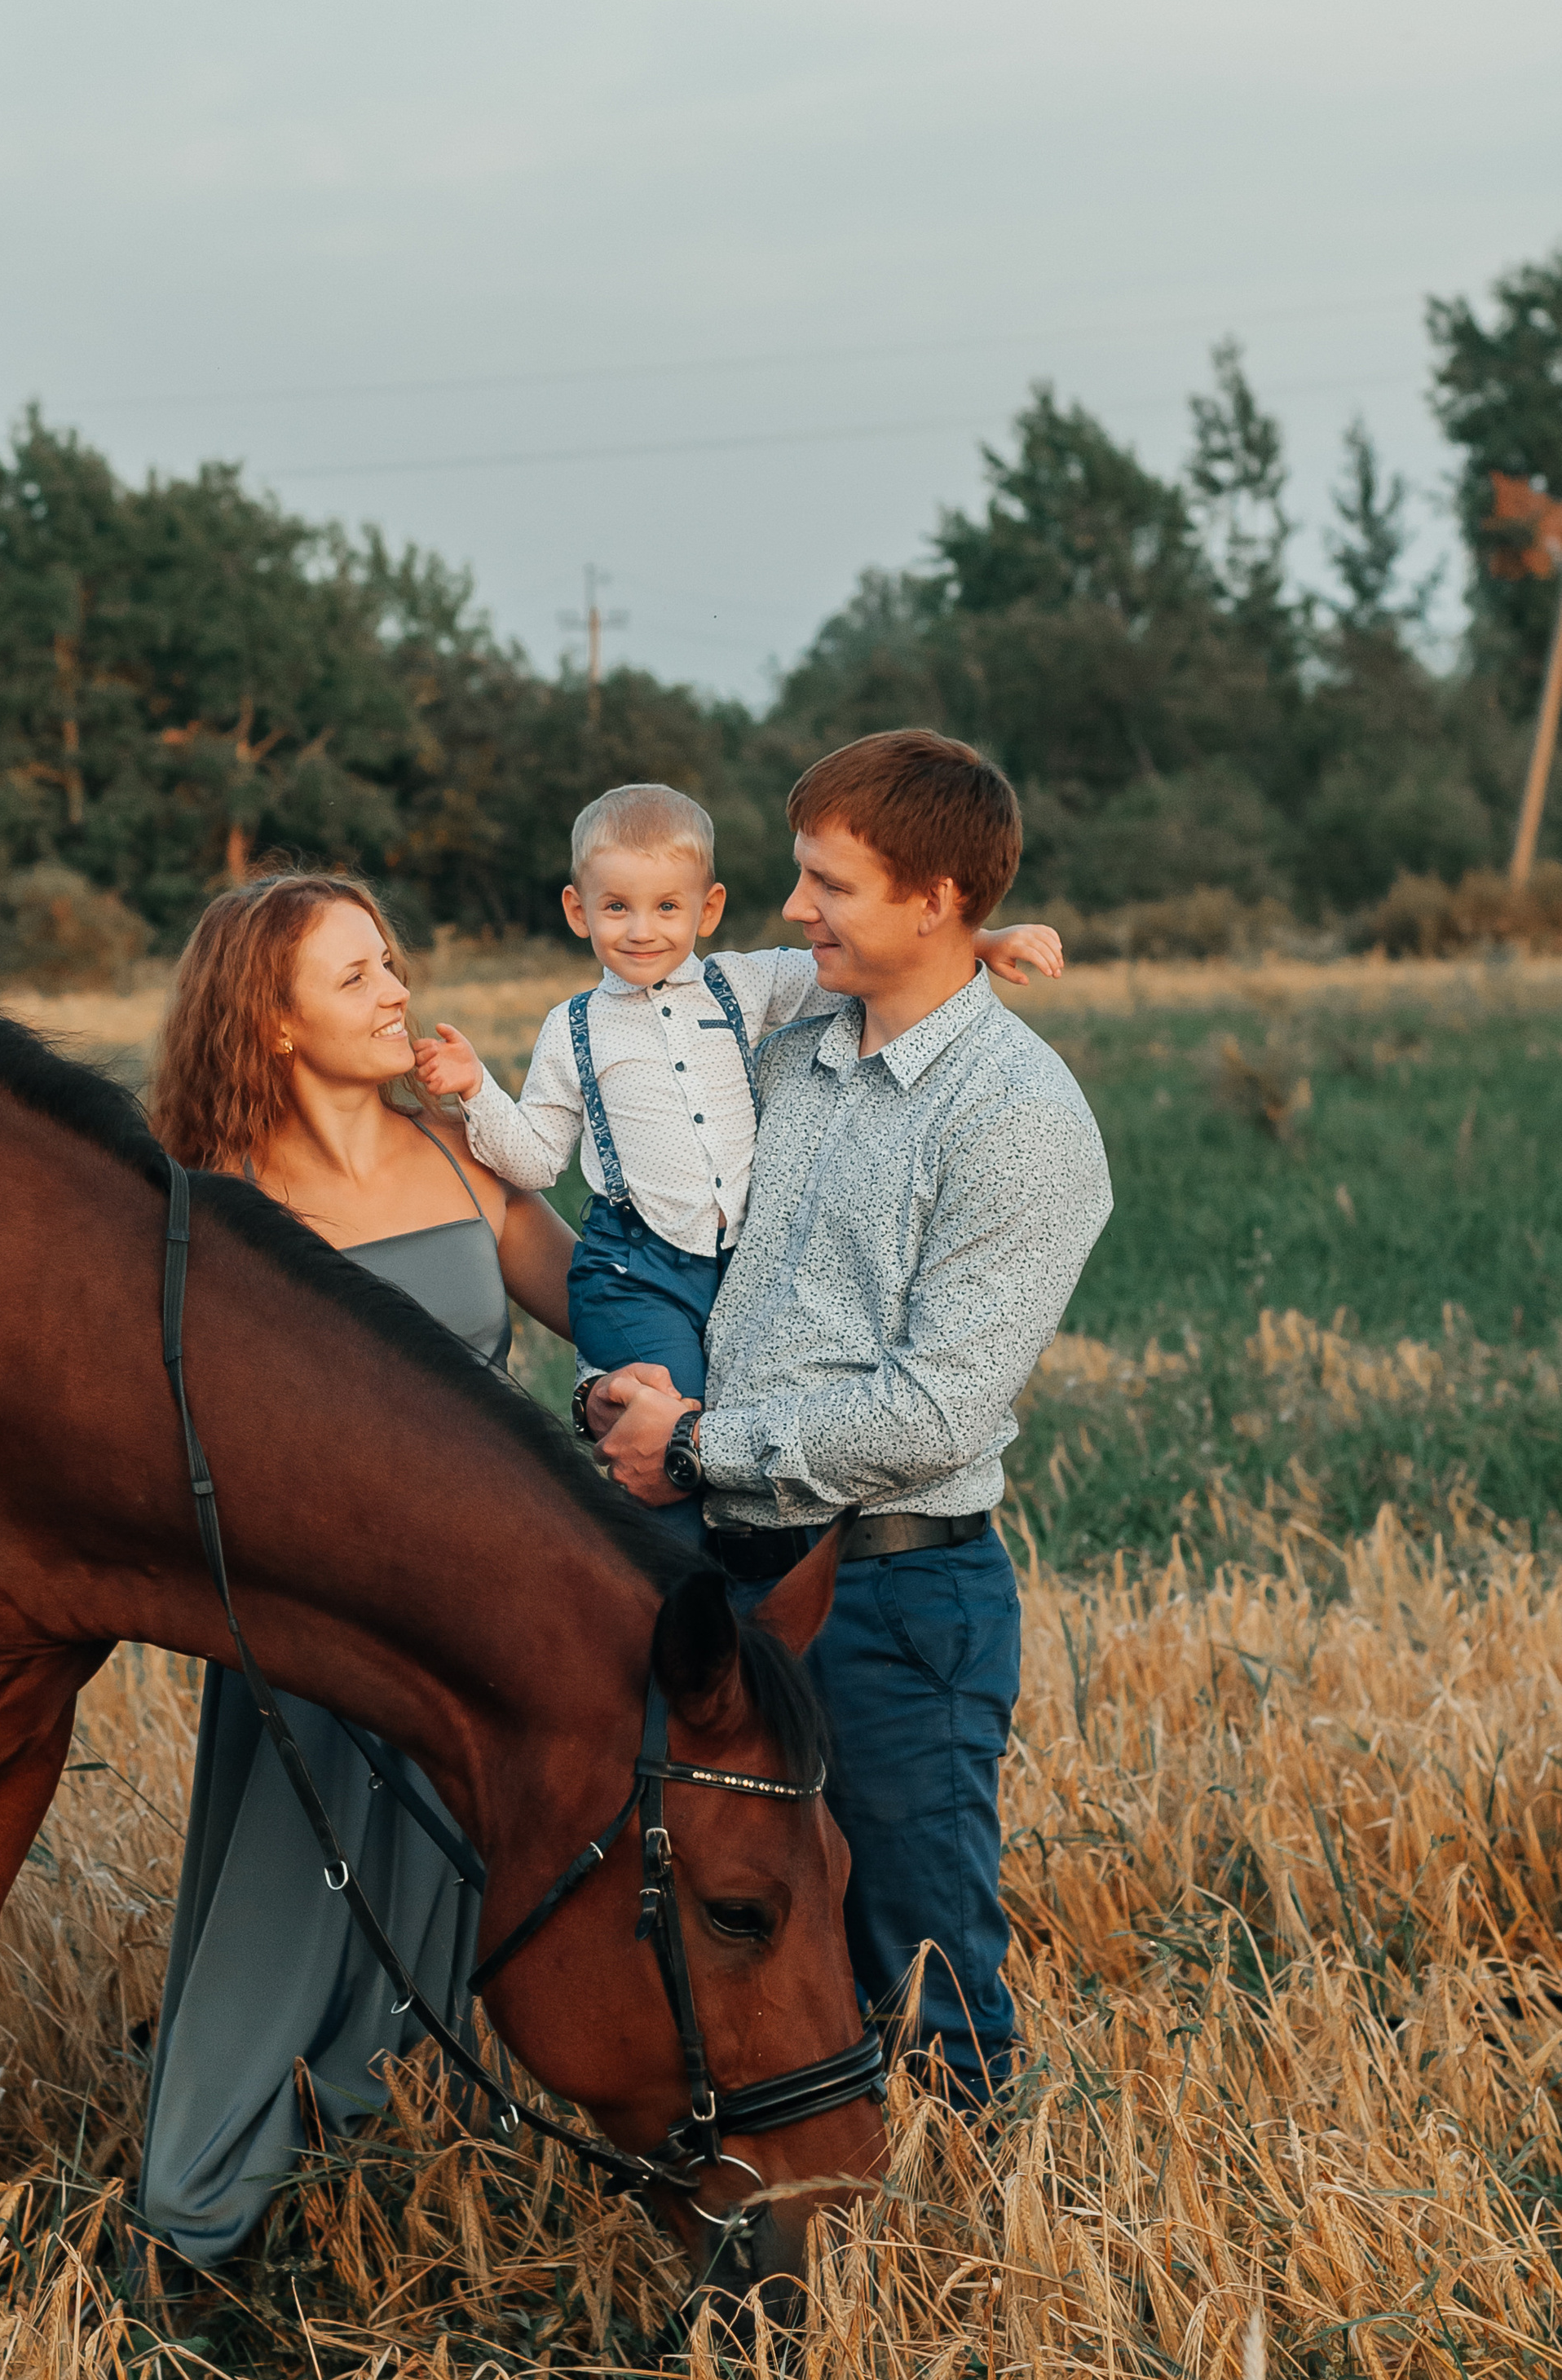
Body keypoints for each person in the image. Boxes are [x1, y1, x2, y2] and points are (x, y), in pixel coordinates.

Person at [589, 732, 1111, 2105]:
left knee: (918, 1966)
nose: (794, 906)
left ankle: (966, 2289)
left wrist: (698, 1443)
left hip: (894, 1591)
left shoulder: (1017, 1117)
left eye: (829, 881)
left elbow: (938, 1407)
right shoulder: (793, 1049)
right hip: (731, 1573)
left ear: (936, 899)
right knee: (733, 1941)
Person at [135, 870, 576, 2264]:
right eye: (356, 974)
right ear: (269, 1020)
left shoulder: (456, 1153)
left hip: (493, 1606)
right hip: (324, 1620)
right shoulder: (215, 1205)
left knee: (477, 1879)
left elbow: (598, 1301)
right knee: (293, 1898)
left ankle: (425, 2181)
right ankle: (204, 2207)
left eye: (391, 960)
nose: (397, 988)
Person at [414, 781, 1061, 1550]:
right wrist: (476, 1092)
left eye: (666, 907)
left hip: (734, 1263)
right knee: (663, 1456)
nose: (642, 931)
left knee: (704, 1438)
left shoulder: (746, 984)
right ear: (578, 911)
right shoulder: (573, 1030)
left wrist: (980, 941)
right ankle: (677, 1607)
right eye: (615, 907)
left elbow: (888, 956)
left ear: (707, 909)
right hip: (636, 1267)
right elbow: (535, 1161)